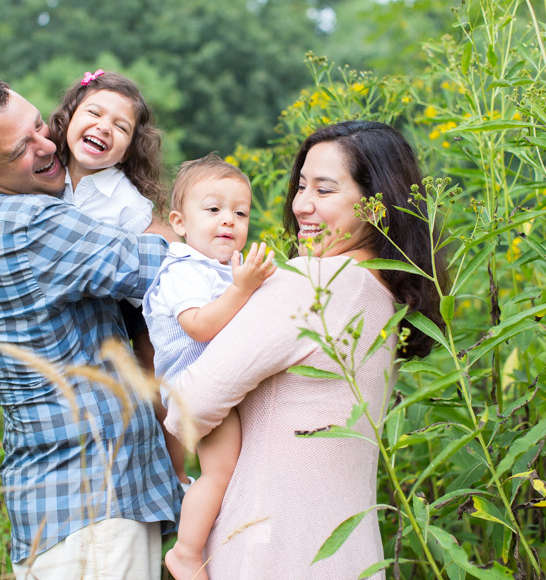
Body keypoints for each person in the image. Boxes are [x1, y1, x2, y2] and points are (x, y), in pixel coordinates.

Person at [164, 121, 447, 579]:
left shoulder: (312, 282)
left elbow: (189, 405)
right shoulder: (390, 301)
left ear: (377, 204)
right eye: (300, 186)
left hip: (270, 549)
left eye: (325, 190)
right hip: (352, 556)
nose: (302, 205)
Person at [0, 78, 182, 580]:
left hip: (72, 507)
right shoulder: (30, 224)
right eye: (22, 147)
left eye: (40, 124)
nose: (47, 146)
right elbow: (172, 268)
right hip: (92, 507)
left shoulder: (2, 204)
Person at [142, 155, 276, 580]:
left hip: (218, 383)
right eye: (214, 209)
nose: (229, 221)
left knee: (236, 469)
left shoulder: (219, 270)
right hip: (194, 387)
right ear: (179, 222)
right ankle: (186, 551)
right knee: (218, 473)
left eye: (240, 213)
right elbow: (198, 327)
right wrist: (243, 289)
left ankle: (220, 542)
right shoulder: (182, 269)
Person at [49, 69, 169, 377]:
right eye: (94, 113)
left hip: (124, 308)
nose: (104, 127)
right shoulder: (47, 174)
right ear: (69, 118)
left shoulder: (128, 201)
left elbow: (147, 276)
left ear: (127, 151)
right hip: (61, 314)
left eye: (121, 127)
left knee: (152, 367)